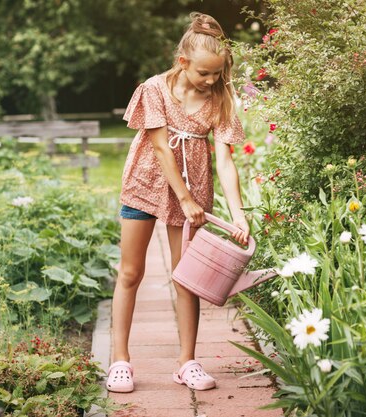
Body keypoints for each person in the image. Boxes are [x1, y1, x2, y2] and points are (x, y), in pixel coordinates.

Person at [106, 12, 249, 393]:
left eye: (217, 73)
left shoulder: (220, 97)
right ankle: (120, 359)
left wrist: (238, 216)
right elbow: (158, 145)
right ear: (183, 62)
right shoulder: (153, 89)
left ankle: (187, 362)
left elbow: (224, 160)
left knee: (187, 278)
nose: (212, 80)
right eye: (204, 73)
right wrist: (183, 198)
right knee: (131, 272)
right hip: (145, 182)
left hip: (194, 191)